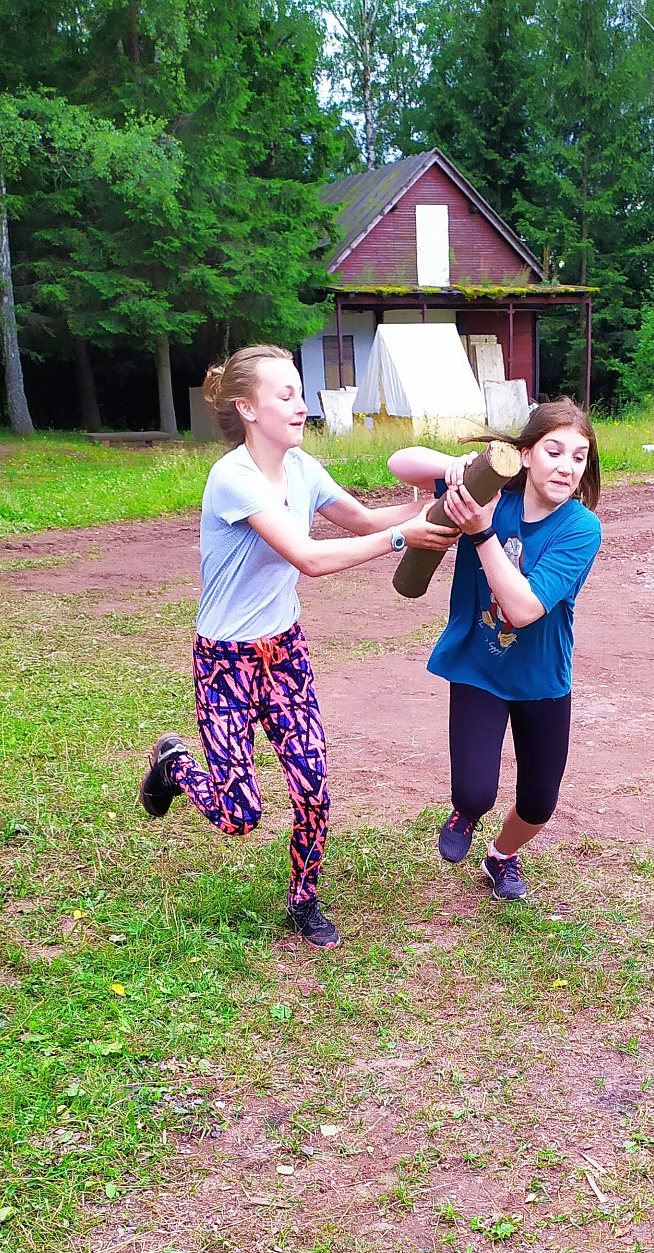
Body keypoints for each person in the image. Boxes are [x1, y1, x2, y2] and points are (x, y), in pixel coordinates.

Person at [138, 344, 456, 949]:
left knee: (312, 788)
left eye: (300, 393)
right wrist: (403, 537)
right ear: (247, 408)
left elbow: (364, 521)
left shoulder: (303, 469)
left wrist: (433, 510)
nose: (300, 405)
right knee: (239, 815)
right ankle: (174, 763)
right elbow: (309, 557)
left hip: (284, 653)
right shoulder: (233, 477)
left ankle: (303, 899)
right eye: (285, 395)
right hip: (226, 661)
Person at [387, 399, 602, 904]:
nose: (567, 467)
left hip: (541, 678)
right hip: (478, 665)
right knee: (474, 792)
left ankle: (501, 855)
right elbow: (400, 462)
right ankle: (465, 812)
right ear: (524, 455)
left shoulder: (580, 528)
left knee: (539, 802)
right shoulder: (489, 493)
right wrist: (455, 468)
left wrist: (480, 532)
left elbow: (524, 608)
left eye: (579, 457)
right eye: (554, 451)